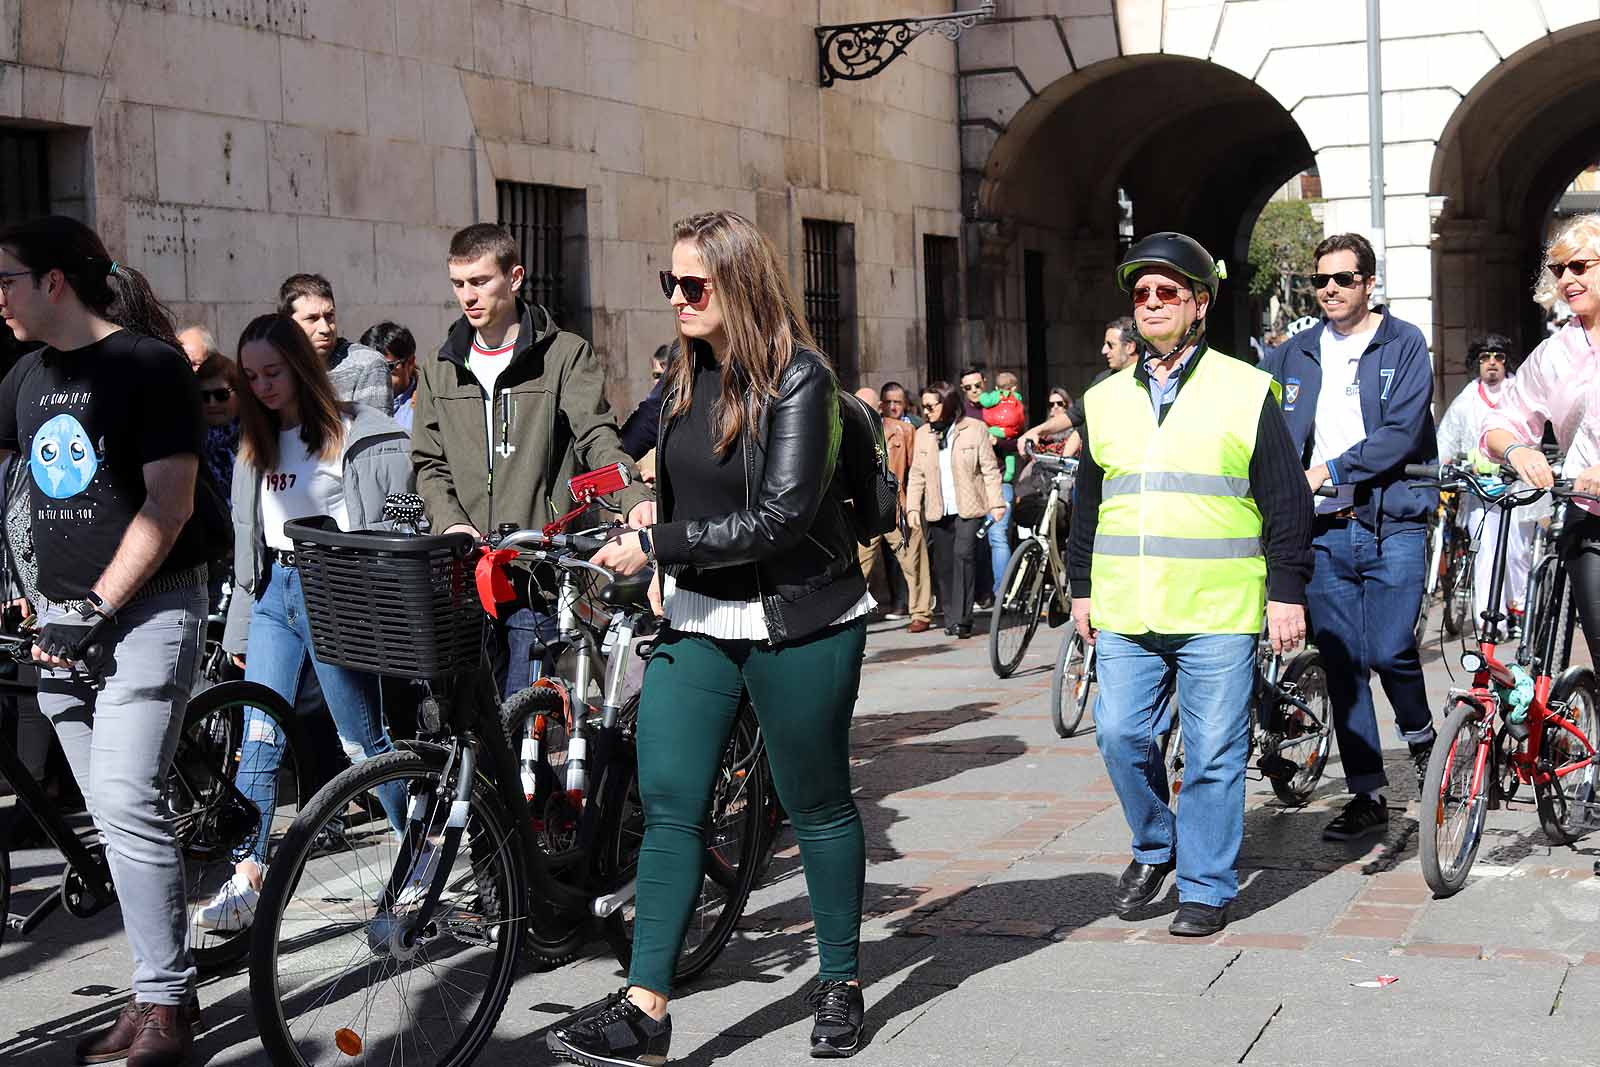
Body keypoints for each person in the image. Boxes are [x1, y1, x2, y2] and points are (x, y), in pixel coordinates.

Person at [547, 210, 873, 1065]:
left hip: (800, 616)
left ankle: (839, 979)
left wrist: (661, 542)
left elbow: (779, 517)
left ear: (740, 285)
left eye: (694, 286)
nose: (679, 299)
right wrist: (628, 504)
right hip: (697, 616)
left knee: (818, 801)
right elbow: (630, 456)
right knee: (671, 805)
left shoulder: (798, 380)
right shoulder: (685, 374)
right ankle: (646, 1007)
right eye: (671, 284)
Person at [0, 215, 220, 1063]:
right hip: (55, 627)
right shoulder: (24, 375)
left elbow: (168, 505)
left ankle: (164, 1005)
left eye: (8, 280)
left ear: (55, 280)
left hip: (147, 610)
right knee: (109, 816)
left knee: (127, 800)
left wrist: (92, 605)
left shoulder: (147, 366)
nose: (1, 298)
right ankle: (158, 983)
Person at [1069, 232, 1311, 937]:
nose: (1150, 303)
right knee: (1117, 734)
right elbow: (1090, 501)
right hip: (1125, 606)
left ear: (1199, 303)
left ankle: (1206, 883)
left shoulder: (1244, 388)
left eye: (1166, 292)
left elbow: (1285, 498)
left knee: (1213, 751)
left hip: (1217, 606)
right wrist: (1080, 587)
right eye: (1140, 293)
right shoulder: (1105, 398)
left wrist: (1286, 590)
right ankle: (1156, 843)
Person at [203, 313, 413, 934]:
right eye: (250, 376)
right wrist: (241, 626)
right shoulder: (254, 441)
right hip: (275, 594)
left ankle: (418, 844)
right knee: (259, 737)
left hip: (337, 587)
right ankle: (247, 874)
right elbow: (252, 542)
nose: (262, 386)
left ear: (299, 366)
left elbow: (395, 519)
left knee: (361, 740)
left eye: (272, 372)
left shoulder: (357, 432)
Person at [410, 223, 649, 697]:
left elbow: (596, 437)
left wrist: (634, 498)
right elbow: (429, 463)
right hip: (467, 569)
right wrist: (452, 523)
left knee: (526, 715)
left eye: (480, 282)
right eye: (459, 284)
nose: (468, 297)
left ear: (514, 277)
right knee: (471, 724)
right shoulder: (440, 367)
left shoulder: (563, 355)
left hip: (537, 569)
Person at [1260, 232, 1438, 841]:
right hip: (1324, 531)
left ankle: (1422, 740)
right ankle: (1367, 793)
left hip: (1393, 522)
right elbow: (1256, 419)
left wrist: (1328, 471)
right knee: (1343, 664)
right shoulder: (1293, 353)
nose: (1329, 290)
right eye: (1320, 281)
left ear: (1368, 284)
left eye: (1342, 279)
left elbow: (1402, 434)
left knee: (1390, 649)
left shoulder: (1403, 342)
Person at [1483, 212, 1600, 663]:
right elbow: (1499, 424)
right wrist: (1515, 450)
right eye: (1558, 269)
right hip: (1588, 517)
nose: (1567, 279)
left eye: (1579, 266)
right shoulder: (1554, 352)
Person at [1436, 333, 1533, 631]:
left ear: (1506, 362)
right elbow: (1447, 440)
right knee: (1485, 554)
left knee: (1518, 552)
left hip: (1518, 485)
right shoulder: (1466, 398)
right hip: (1479, 489)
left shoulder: (1521, 392)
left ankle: (1519, 610)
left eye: (1498, 357)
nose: (1492, 363)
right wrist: (1440, 470)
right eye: (1485, 358)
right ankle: (1491, 621)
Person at [905, 380, 1005, 638]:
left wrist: (996, 503)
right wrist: (912, 507)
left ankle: (963, 619)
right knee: (944, 564)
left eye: (931, 406)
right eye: (923, 406)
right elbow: (916, 474)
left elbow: (989, 469)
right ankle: (950, 617)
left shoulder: (974, 429)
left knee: (963, 555)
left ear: (946, 403)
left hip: (968, 507)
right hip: (939, 508)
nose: (926, 411)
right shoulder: (923, 434)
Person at [852, 386, 929, 629]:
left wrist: (913, 504)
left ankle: (921, 613)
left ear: (879, 408)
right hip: (864, 510)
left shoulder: (903, 431)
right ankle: (851, 614)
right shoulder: (846, 433)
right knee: (856, 565)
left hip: (897, 506)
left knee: (913, 561)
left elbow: (915, 469)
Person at [1019, 317, 1137, 457]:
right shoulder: (1102, 381)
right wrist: (1037, 431)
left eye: (1110, 345)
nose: (1103, 351)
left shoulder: (1153, 380)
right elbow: (1076, 416)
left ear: (1130, 347)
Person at [277, 273, 391, 413]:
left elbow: (376, 431)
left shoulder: (367, 364)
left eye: (329, 316)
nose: (325, 328)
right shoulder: (276, 367)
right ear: (288, 324)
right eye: (312, 319)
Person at [359, 321, 419, 433]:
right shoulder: (352, 404)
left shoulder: (427, 407)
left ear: (410, 363)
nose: (376, 375)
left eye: (387, 367)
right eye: (367, 367)